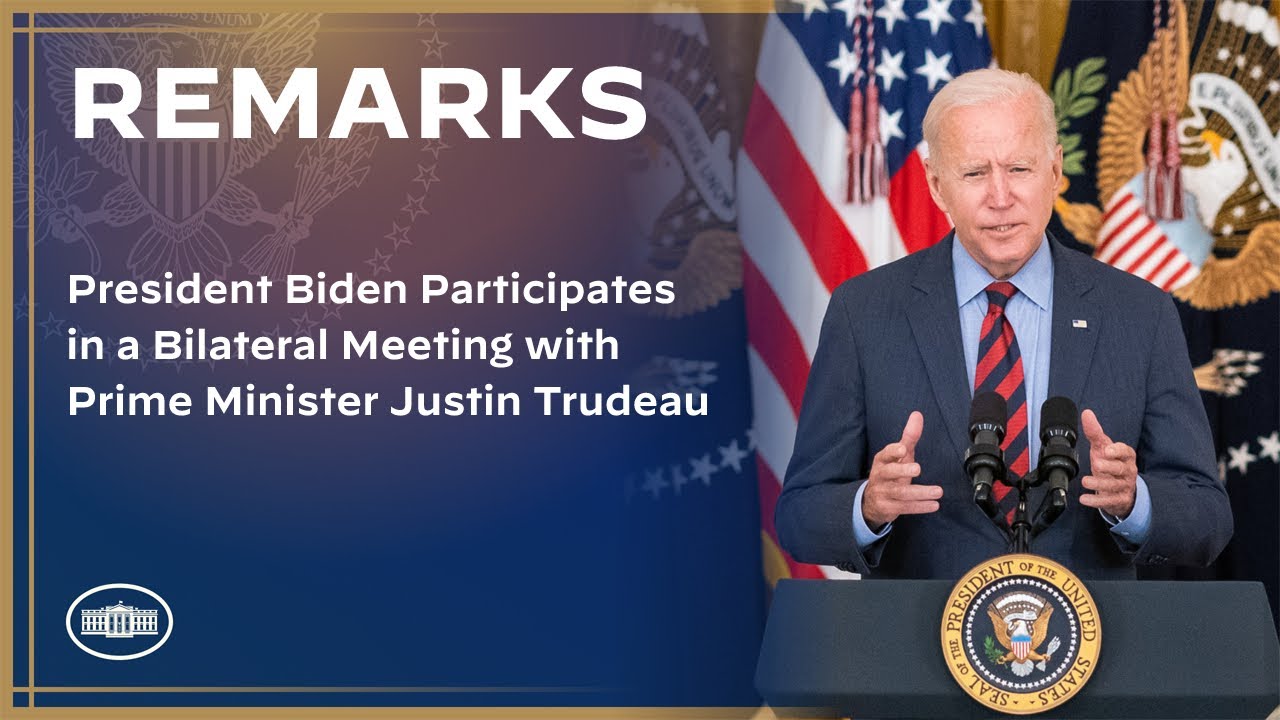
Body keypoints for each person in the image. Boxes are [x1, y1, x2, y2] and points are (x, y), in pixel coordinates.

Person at [774, 68, 1232, 580]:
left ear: (1055, 171)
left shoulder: (1140, 313)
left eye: (1019, 168)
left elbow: (1207, 517)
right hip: (915, 646)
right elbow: (799, 516)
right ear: (936, 183)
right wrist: (867, 507)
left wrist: (1134, 501)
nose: (999, 197)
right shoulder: (865, 312)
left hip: (1095, 646)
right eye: (974, 173)